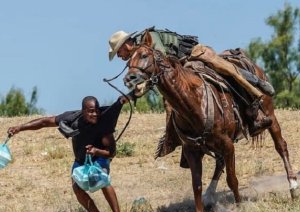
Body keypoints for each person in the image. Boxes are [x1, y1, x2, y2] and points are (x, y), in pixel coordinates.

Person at [108, 27, 274, 139]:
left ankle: (255, 90)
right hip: (179, 69)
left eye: (118, 51)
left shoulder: (149, 39)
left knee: (224, 71)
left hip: (193, 56)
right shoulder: (136, 56)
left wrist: (141, 86)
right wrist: (133, 90)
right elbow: (144, 78)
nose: (119, 56)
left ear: (126, 44)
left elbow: (162, 64)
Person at [7, 96, 128, 212]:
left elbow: (111, 153)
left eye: (97, 111)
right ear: (83, 111)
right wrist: (19, 128)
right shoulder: (72, 118)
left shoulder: (103, 123)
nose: (95, 114)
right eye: (91, 111)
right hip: (80, 161)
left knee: (101, 179)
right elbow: (45, 122)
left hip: (100, 157)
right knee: (77, 189)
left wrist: (96, 151)